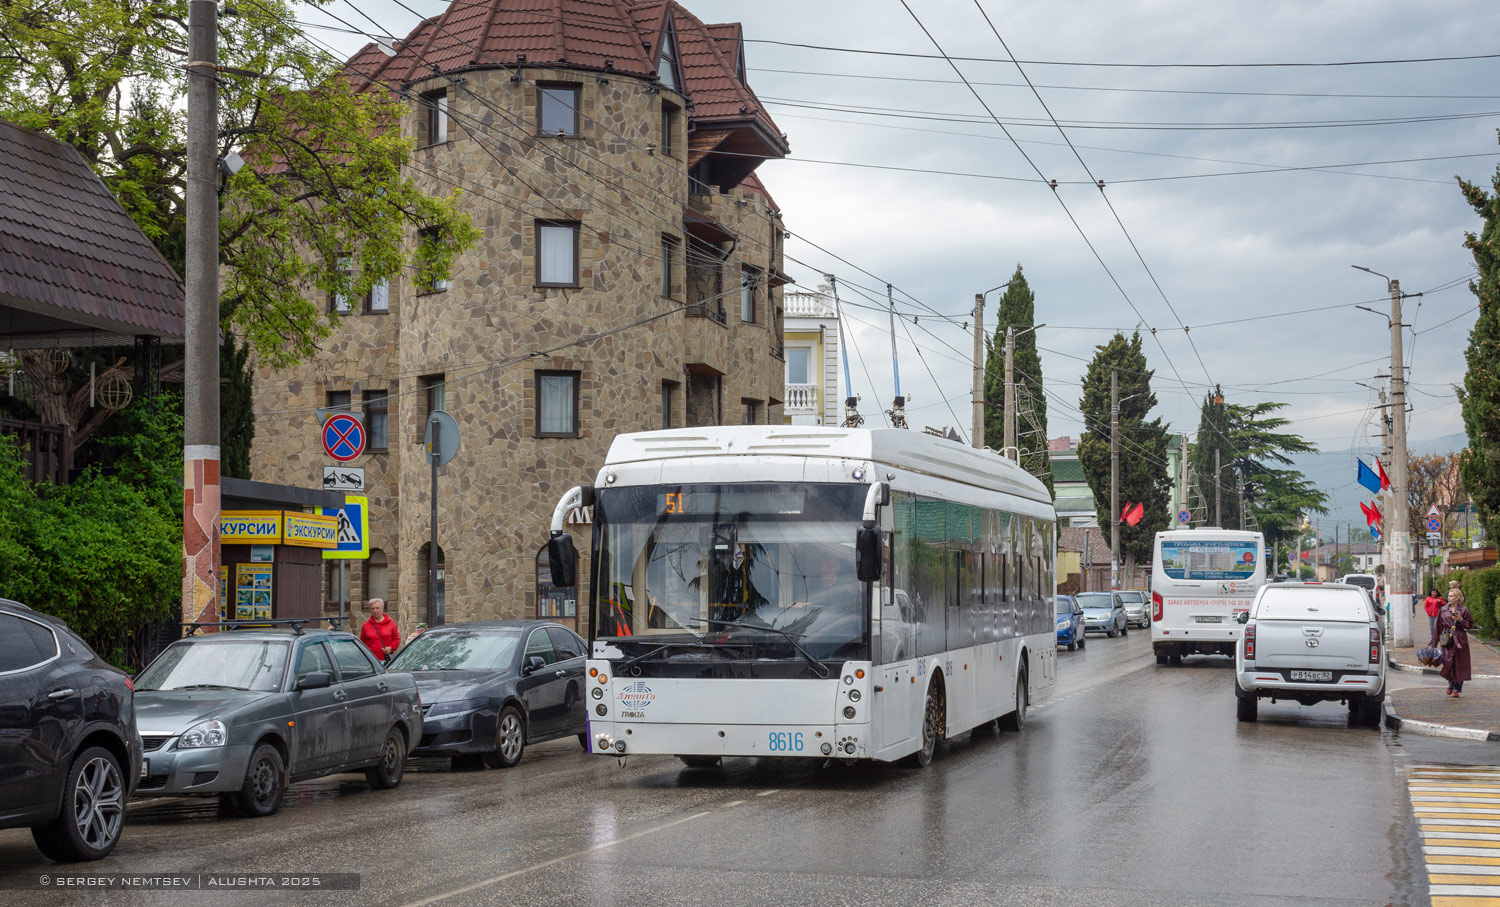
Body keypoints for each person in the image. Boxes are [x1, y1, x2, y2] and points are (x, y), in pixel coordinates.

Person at [1430, 590, 1476, 698]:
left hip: (1460, 640)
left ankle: (1456, 688)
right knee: (1448, 663)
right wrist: (1434, 643)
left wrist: (1461, 620)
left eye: (1451, 596)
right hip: (1447, 639)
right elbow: (1437, 628)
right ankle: (1450, 683)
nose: (1448, 598)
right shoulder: (1443, 610)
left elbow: (1470, 625)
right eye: (1448, 596)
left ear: (1457, 598)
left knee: (1459, 664)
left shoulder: (1464, 610)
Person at [359, 598, 400, 664]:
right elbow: (362, 644)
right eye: (373, 608)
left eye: (377, 608)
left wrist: (391, 648)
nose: (375, 610)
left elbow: (396, 639)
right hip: (371, 662)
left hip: (387, 661)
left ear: (382, 608)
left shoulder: (391, 623)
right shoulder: (365, 626)